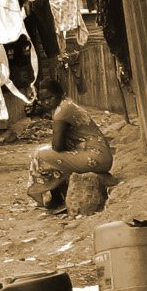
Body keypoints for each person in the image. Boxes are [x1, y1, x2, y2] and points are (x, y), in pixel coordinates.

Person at [25, 77, 115, 210]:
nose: (46, 102)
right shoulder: (67, 105)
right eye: (43, 100)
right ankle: (59, 197)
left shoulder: (62, 111)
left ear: (60, 94)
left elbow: (57, 146)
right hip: (99, 155)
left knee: (40, 155)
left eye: (50, 97)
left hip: (95, 157)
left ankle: (57, 199)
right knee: (47, 153)